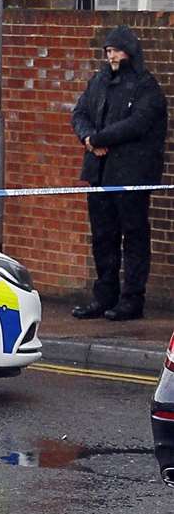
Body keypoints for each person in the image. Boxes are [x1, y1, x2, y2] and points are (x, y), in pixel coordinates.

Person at [71, 25, 166, 321]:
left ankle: (132, 299)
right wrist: (88, 138)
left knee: (134, 237)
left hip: (131, 176)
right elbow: (79, 113)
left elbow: (138, 124)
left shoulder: (146, 87)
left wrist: (99, 140)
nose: (111, 56)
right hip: (99, 174)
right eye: (108, 51)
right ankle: (104, 297)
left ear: (130, 52)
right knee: (103, 237)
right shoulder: (98, 81)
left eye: (116, 50)